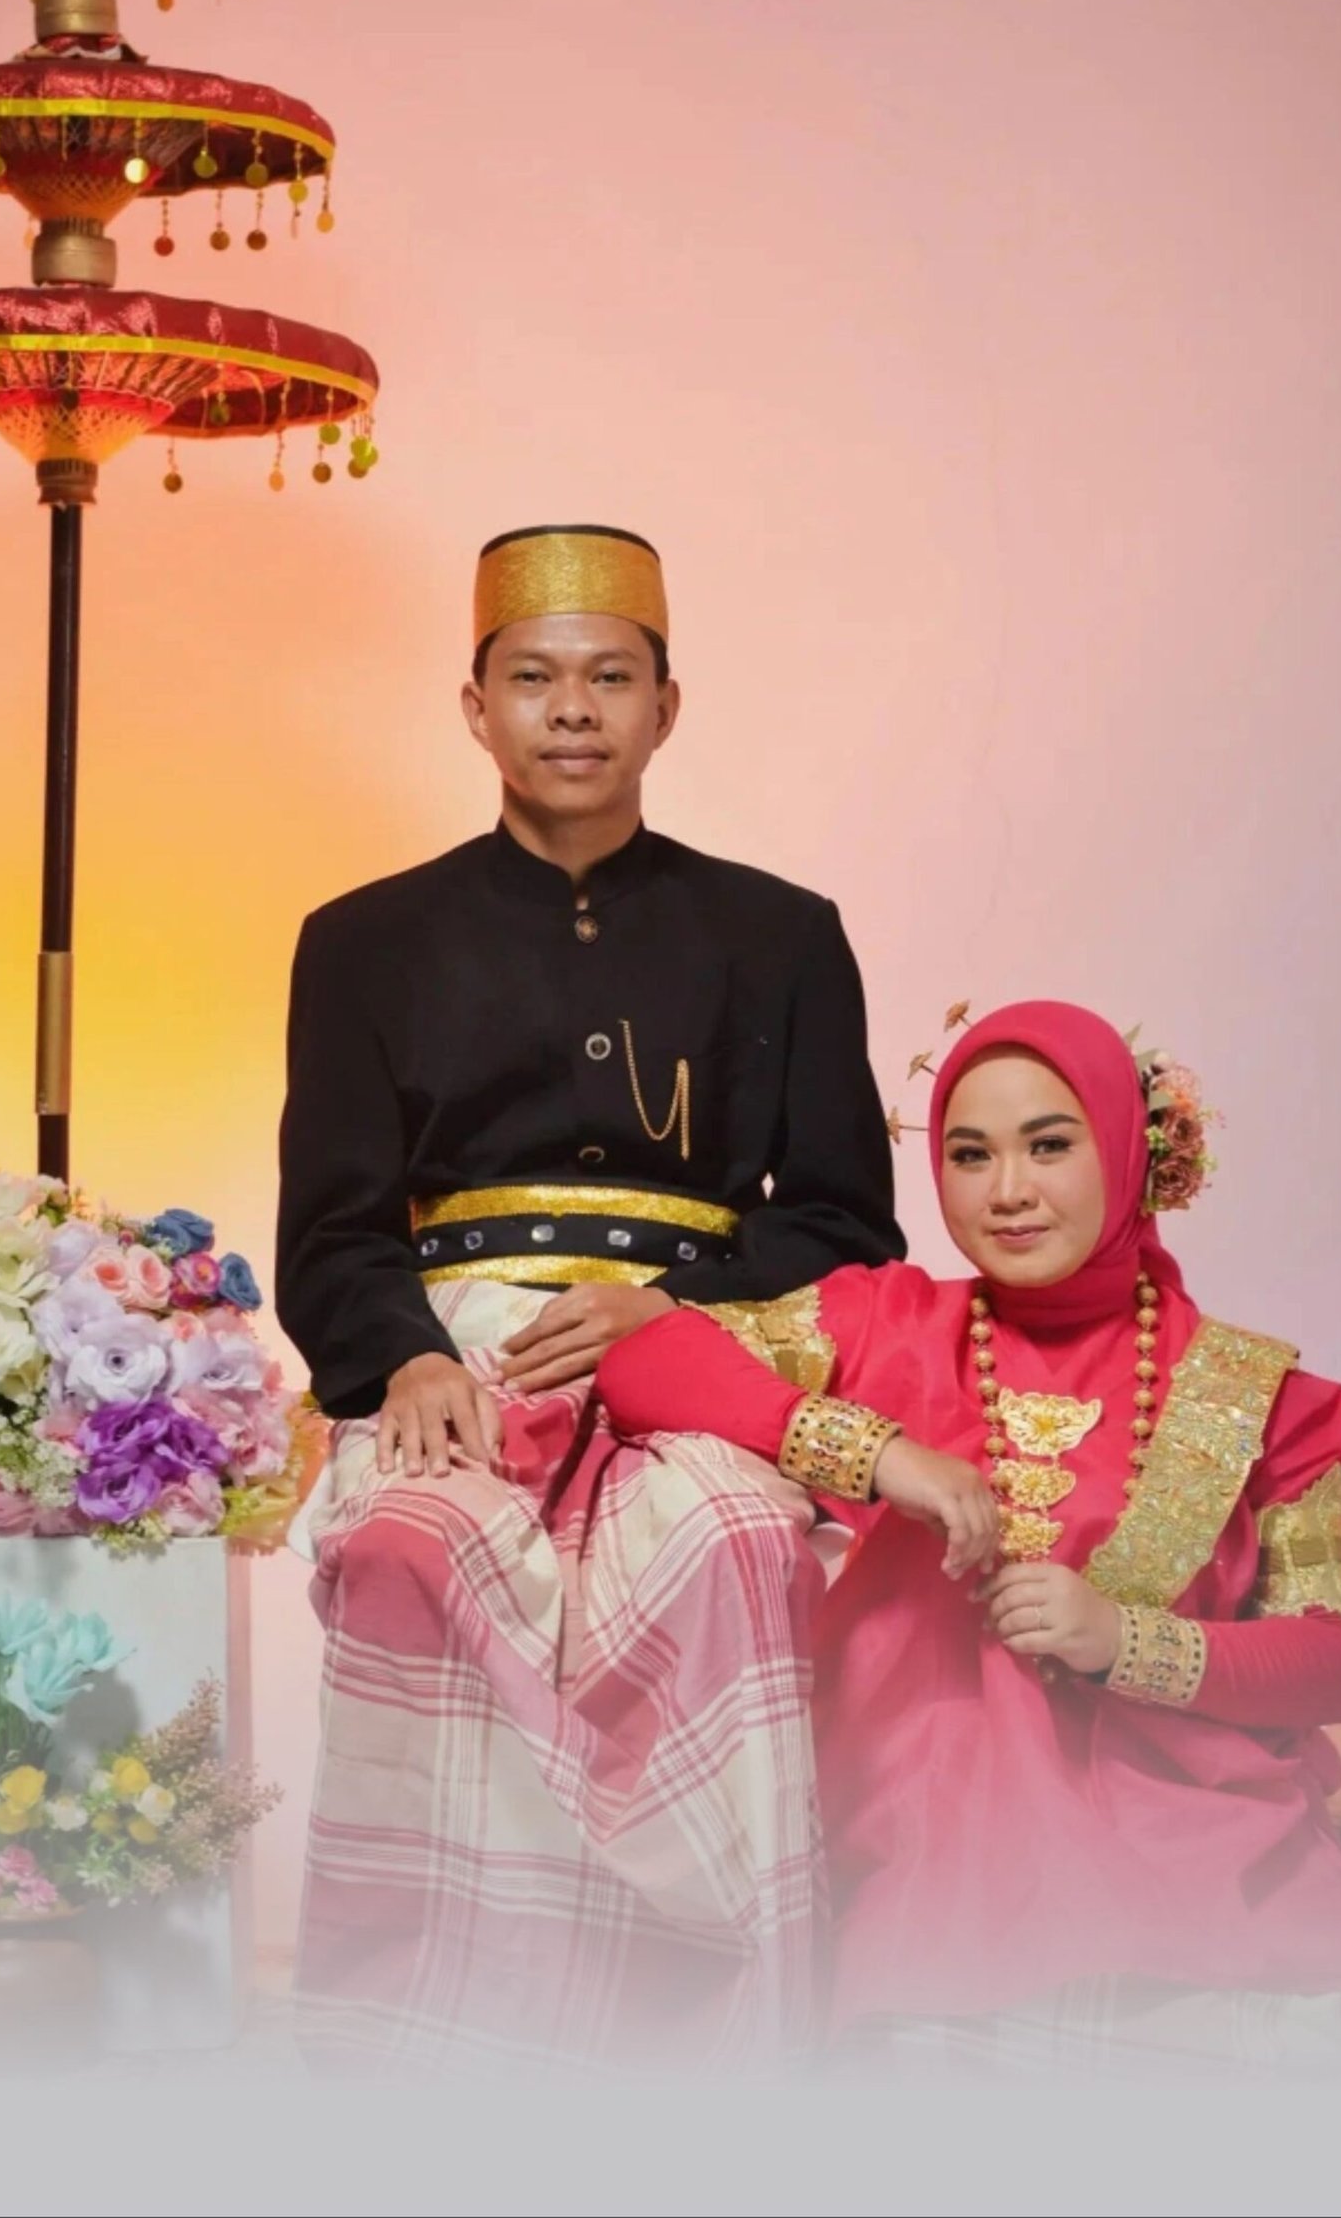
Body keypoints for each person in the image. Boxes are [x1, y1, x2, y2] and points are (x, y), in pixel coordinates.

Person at [276, 522, 907, 2071]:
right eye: (535, 677)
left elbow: (846, 1222)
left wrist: (671, 1304)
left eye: (611, 677)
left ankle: (716, 2038)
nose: (573, 709)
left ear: (666, 708)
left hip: (698, 1357)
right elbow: (333, 1227)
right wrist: (405, 1359)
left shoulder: (782, 935)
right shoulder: (361, 941)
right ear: (474, 706)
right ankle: (430, 2044)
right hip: (460, 1356)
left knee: (744, 1538)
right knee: (413, 1543)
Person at [597, 1000, 1341, 2071]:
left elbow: (1337, 1660)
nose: (1008, 1192)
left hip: (1208, 1882)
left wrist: (1123, 1641)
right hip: (936, 1873)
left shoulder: (1258, 1395)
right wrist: (882, 1456)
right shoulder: (883, 1325)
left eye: (1050, 1145)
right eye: (969, 1155)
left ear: (1129, 1152)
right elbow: (649, 1360)